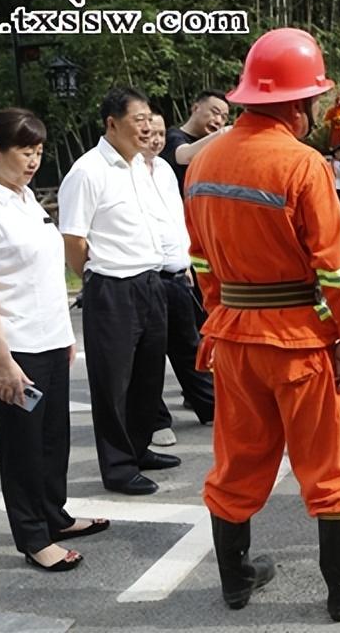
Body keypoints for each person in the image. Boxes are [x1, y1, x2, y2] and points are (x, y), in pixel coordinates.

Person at [184, 28, 340, 620]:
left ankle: (236, 577)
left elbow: (200, 260)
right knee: (331, 465)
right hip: (297, 344)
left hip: (232, 337)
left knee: (237, 459)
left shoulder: (202, 162)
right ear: (298, 105)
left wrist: (222, 314)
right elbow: (336, 269)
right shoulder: (302, 165)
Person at [0, 108, 109, 572]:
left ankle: (54, 516)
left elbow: (43, 276)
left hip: (50, 342)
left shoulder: (26, 200)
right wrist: (2, 361)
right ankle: (33, 538)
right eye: (25, 151)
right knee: (21, 447)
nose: (34, 160)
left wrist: (64, 337)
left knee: (53, 440)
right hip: (13, 348)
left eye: (39, 151)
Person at [58, 87, 180, 496]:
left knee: (148, 376)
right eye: (138, 119)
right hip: (111, 287)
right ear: (112, 123)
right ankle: (117, 466)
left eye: (150, 118)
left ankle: (139, 447)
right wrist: (95, 277)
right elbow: (73, 239)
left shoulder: (139, 167)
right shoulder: (88, 171)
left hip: (150, 282)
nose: (147, 127)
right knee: (113, 384)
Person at [144, 112, 216, 445]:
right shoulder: (120, 171)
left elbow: (176, 220)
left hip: (177, 272)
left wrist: (187, 261)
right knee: (150, 353)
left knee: (189, 344)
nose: (156, 139)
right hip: (144, 276)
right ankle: (156, 419)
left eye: (160, 133)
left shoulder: (163, 171)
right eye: (149, 132)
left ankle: (209, 405)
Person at [161, 90, 230, 188]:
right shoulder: (172, 136)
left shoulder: (215, 144)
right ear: (195, 108)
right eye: (215, 112)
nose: (218, 121)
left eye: (224, 118)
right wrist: (223, 133)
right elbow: (185, 156)